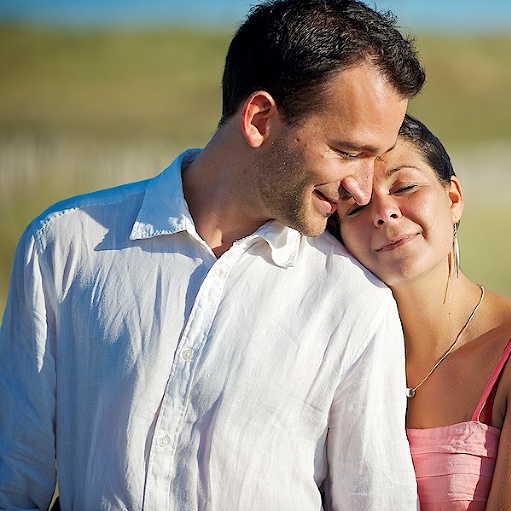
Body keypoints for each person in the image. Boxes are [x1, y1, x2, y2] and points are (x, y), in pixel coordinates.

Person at [0, 1, 425, 509]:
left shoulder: (355, 302)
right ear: (261, 118)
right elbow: (12, 477)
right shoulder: (64, 247)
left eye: (375, 159)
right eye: (348, 153)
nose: (361, 189)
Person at [332, 114, 511, 511]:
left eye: (405, 186)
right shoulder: (345, 354)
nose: (384, 212)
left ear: (453, 199)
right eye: (355, 207)